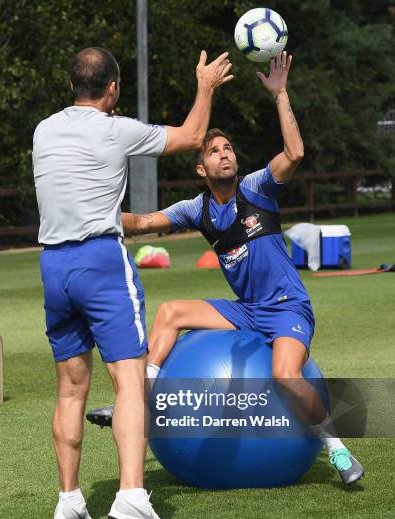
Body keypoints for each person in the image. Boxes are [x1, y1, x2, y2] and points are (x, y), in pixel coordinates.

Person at [88, 52, 364, 486]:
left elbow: (295, 151)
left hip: (287, 307)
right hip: (247, 309)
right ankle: (135, 397)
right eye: (214, 151)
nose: (224, 155)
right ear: (202, 168)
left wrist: (281, 94)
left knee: (286, 376)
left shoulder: (257, 189)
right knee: (169, 312)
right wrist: (91, 212)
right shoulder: (194, 209)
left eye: (228, 148)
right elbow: (141, 223)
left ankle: (337, 449)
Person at [33, 46, 233, 519]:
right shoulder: (115, 129)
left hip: (52, 265)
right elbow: (191, 137)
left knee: (71, 389)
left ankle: (70, 502)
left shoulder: (43, 130)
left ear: (72, 85)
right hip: (100, 261)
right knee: (129, 379)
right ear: (113, 88)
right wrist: (204, 86)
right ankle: (132, 497)